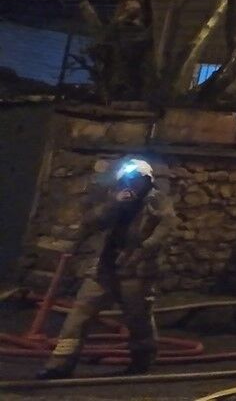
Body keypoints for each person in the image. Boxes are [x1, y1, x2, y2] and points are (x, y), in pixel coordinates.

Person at [37, 157, 176, 381]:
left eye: (136, 179)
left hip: (136, 271)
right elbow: (91, 222)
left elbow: (165, 229)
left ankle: (142, 359)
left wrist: (143, 248)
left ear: (147, 180)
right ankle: (60, 364)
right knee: (79, 315)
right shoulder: (116, 197)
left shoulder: (157, 200)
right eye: (128, 179)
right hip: (103, 268)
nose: (131, 184)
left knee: (138, 318)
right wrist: (114, 204)